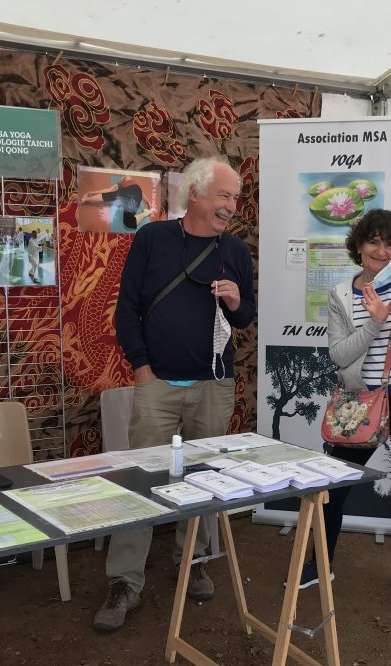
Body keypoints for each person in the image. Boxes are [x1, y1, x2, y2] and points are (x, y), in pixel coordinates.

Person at [99, 157, 255, 632]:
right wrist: (143, 372)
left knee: (204, 479)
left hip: (213, 385)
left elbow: (245, 316)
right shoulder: (152, 239)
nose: (232, 206)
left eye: (235, 197)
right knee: (142, 481)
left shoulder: (236, 251)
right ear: (196, 195)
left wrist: (233, 300)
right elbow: (127, 310)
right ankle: (125, 580)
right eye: (224, 196)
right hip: (158, 385)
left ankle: (196, 561)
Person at [310, 209, 391, 600]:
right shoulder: (341, 294)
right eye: (373, 241)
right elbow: (339, 356)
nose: (381, 250)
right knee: (334, 486)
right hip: (358, 403)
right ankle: (318, 565)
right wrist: (375, 322)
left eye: (389, 243)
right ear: (359, 246)